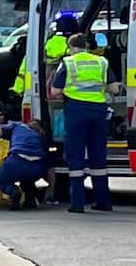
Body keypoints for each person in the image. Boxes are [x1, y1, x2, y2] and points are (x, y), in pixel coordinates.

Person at [50, 33, 121, 213]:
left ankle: (77, 203)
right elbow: (114, 88)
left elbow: (55, 91)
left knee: (76, 155)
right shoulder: (102, 61)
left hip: (76, 111)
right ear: (87, 46)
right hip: (98, 111)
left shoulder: (68, 63)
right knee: (98, 155)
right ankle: (103, 201)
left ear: (71, 47)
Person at [0, 118, 48, 210]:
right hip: (39, 167)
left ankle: (13, 191)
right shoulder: (42, 134)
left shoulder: (18, 126)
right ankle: (30, 200)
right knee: (28, 179)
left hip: (17, 161)